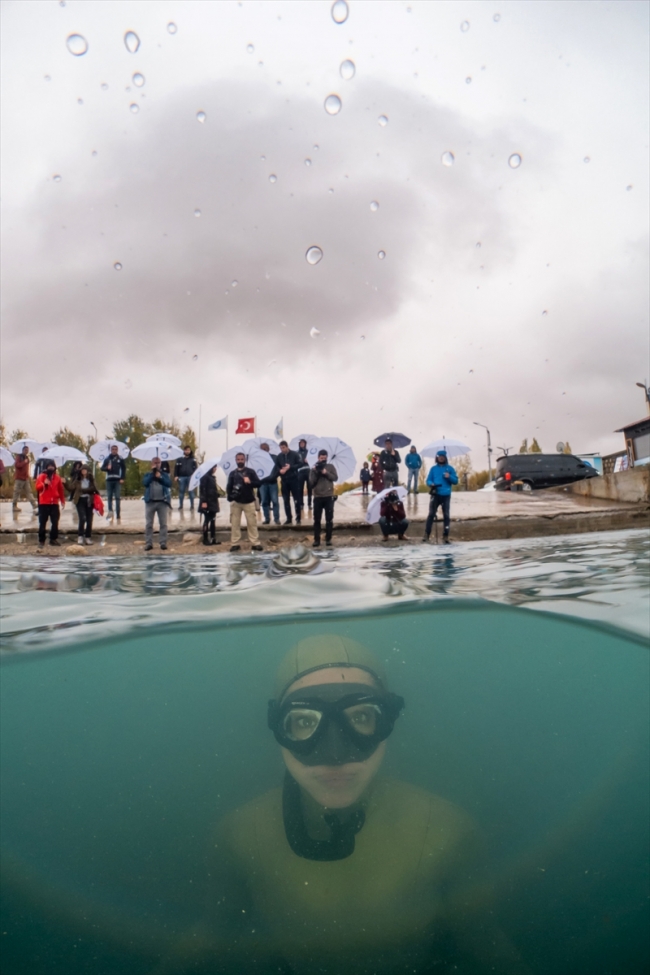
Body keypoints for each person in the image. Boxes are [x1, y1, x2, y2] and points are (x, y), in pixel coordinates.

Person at [161, 635, 531, 974]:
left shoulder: (450, 832)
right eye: (305, 721)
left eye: (361, 717)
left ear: (388, 722)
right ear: (278, 729)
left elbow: (484, 942)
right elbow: (214, 933)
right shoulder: (238, 836)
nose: (335, 755)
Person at [226, 452, 263, 552]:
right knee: (235, 523)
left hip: (249, 501)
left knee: (252, 523)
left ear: (245, 460)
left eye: (242, 459)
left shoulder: (250, 472)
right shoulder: (232, 473)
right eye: (238, 460)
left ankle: (255, 542)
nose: (240, 461)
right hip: (236, 502)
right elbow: (229, 487)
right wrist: (230, 497)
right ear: (235, 460)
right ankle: (235, 543)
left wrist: (250, 482)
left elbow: (258, 484)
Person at [424, 450, 458, 544]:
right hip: (435, 494)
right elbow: (428, 480)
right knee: (431, 514)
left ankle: (446, 535)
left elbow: (456, 481)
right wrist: (431, 484)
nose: (441, 458)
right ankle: (427, 534)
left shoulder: (450, 469)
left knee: (446, 515)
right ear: (437, 458)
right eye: (439, 456)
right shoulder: (433, 469)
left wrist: (449, 477)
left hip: (446, 495)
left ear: (445, 458)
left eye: (443, 456)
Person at [309, 449, 338, 548]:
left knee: (329, 519)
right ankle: (316, 539)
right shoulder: (314, 468)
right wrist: (316, 472)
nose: (323, 460)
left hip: (328, 496)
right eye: (321, 458)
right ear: (318, 458)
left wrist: (326, 473)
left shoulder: (330, 466)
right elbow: (311, 483)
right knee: (317, 519)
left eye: (324, 458)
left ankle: (328, 539)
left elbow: (335, 478)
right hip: (317, 497)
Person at [143, 456, 172, 551]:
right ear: (152, 464)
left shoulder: (164, 474)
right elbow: (145, 483)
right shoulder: (148, 474)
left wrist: (160, 478)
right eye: (155, 462)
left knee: (163, 524)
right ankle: (148, 543)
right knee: (149, 524)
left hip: (162, 502)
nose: (157, 464)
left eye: (158, 462)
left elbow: (168, 483)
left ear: (161, 463)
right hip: (150, 502)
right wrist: (153, 475)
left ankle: (163, 542)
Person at [35, 461, 65, 548]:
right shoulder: (41, 476)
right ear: (46, 467)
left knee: (55, 521)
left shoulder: (57, 478)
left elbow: (60, 490)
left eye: (52, 466)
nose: (51, 468)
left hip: (54, 503)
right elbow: (37, 487)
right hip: (44, 503)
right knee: (42, 522)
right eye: (49, 466)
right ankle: (41, 540)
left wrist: (62, 500)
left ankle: (53, 539)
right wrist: (44, 484)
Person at [67, 464, 98, 545]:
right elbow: (70, 488)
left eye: (85, 470)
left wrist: (84, 490)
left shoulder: (91, 479)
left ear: (87, 471)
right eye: (82, 470)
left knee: (89, 519)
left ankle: (88, 537)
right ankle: (80, 536)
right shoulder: (77, 480)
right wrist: (65, 483)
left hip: (89, 501)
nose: (83, 471)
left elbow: (94, 488)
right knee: (82, 518)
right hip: (80, 500)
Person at [277, 440, 303, 525]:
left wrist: (290, 467)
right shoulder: (279, 456)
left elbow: (300, 464)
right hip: (284, 480)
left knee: (296, 499)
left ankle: (298, 517)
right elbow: (276, 466)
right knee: (285, 500)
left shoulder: (294, 454)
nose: (282, 449)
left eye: (283, 447)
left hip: (294, 479)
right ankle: (289, 518)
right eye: (281, 448)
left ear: (287, 446)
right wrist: (280, 470)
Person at [101, 444, 126, 521]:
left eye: (115, 449)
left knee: (117, 497)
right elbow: (102, 468)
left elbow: (124, 468)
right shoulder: (107, 459)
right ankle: (110, 512)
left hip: (117, 480)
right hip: (109, 480)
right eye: (113, 449)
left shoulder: (120, 459)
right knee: (109, 497)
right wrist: (107, 468)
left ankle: (118, 514)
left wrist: (122, 478)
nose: (114, 451)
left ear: (117, 450)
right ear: (111, 450)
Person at [258, 442, 281, 525]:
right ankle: (267, 519)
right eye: (262, 449)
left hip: (272, 483)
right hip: (262, 484)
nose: (264, 450)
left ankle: (276, 519)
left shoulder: (274, 458)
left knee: (275, 501)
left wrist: (274, 476)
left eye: (265, 448)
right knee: (264, 502)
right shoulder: (258, 459)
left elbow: (278, 469)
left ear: (268, 449)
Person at [199, 465, 221, 546]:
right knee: (206, 520)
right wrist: (204, 501)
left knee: (213, 520)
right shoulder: (205, 477)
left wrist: (217, 494)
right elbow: (203, 490)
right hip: (207, 502)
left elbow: (211, 489)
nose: (215, 469)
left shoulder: (212, 477)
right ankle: (205, 538)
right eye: (214, 468)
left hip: (213, 502)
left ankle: (213, 537)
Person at [12, 445, 38, 513]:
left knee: (29, 492)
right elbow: (17, 465)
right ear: (23, 450)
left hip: (25, 478)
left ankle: (34, 505)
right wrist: (24, 462)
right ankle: (14, 506)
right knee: (16, 492)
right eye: (25, 450)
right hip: (19, 478)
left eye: (27, 450)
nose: (27, 451)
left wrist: (28, 475)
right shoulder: (19, 457)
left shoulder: (27, 458)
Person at [174, 446, 198, 511]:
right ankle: (181, 505)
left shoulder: (193, 459)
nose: (187, 451)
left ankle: (192, 505)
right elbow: (176, 468)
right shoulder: (179, 459)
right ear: (184, 451)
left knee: (191, 492)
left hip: (190, 477)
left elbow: (195, 468)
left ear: (190, 451)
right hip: (181, 477)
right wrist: (176, 476)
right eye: (186, 450)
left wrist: (194, 475)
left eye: (188, 450)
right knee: (181, 491)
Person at [297, 439, 313, 515]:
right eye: (301, 443)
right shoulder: (297, 453)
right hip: (300, 472)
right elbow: (296, 462)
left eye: (303, 443)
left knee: (310, 488)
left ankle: (309, 504)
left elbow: (313, 461)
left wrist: (308, 461)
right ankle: (301, 504)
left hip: (308, 471)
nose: (302, 444)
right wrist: (301, 462)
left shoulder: (309, 452)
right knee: (300, 489)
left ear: (305, 444)